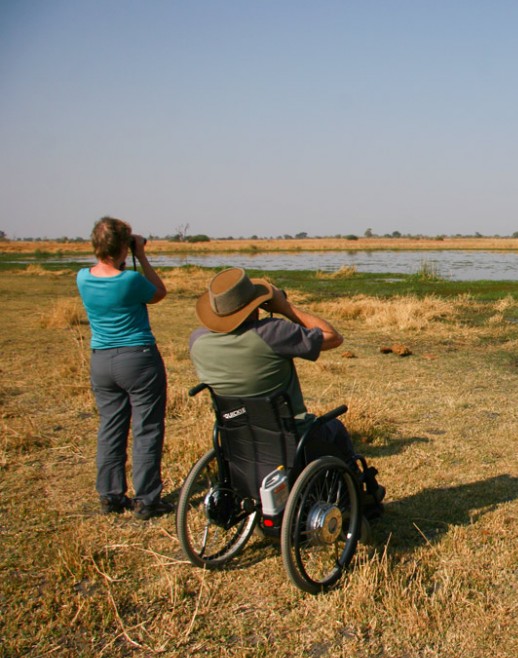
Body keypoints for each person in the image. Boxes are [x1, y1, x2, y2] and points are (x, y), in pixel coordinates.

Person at [188, 267, 384, 514]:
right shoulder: (271, 332)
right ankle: (357, 497)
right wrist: (284, 307)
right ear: (254, 306)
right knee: (335, 430)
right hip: (290, 433)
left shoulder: (198, 341)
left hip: (236, 434)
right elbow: (333, 337)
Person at [77, 216, 173, 519]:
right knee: (147, 427)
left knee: (110, 427)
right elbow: (159, 292)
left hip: (101, 359)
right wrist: (141, 254)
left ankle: (110, 495)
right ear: (123, 246)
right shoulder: (129, 280)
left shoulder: (83, 277)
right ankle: (147, 499)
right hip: (138, 357)